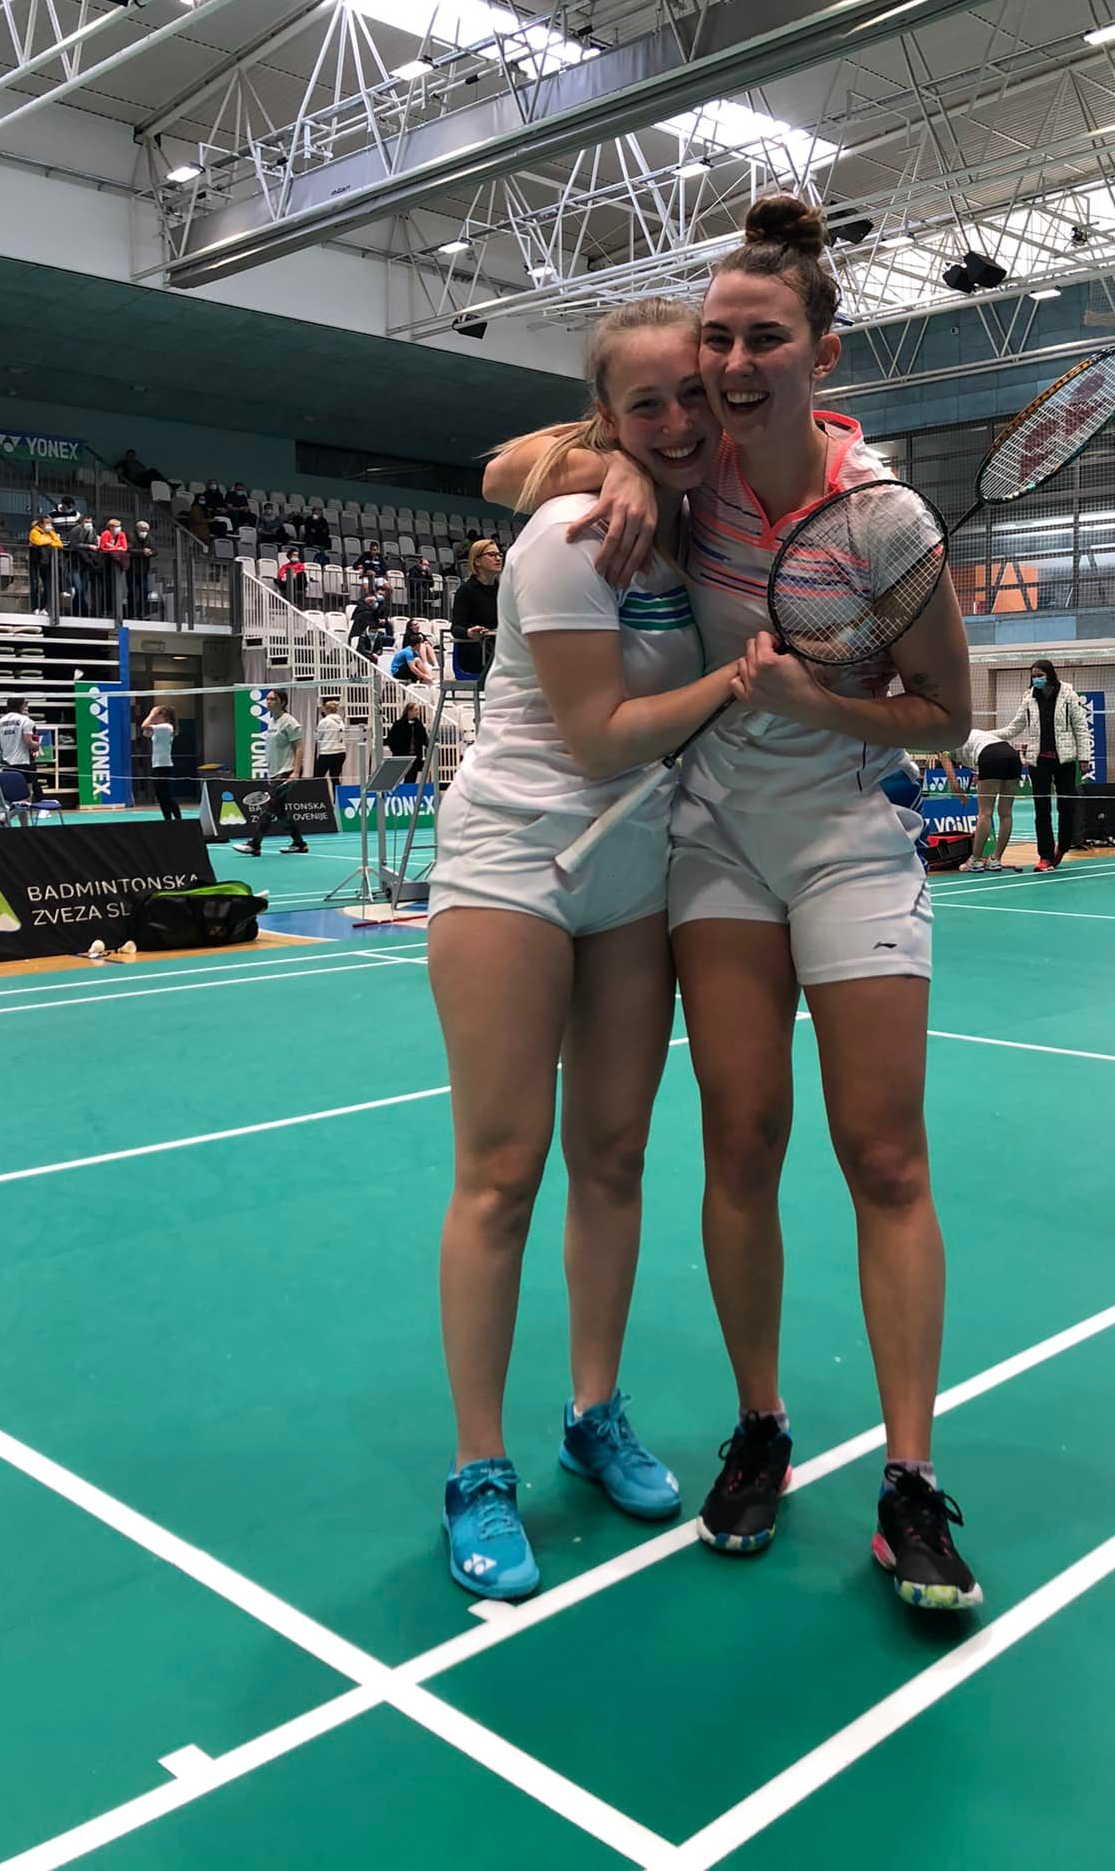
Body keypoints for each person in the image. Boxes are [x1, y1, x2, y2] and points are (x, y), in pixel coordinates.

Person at [485, 196, 980, 1611]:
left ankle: (910, 1480)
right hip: (711, 846)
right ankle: (761, 1427)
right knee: (741, 1139)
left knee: (883, 1155)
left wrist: (820, 703)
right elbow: (509, 466)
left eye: (764, 339)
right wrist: (615, 469)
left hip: (843, 837)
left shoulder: (886, 517)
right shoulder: (684, 476)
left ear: (823, 354)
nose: (735, 362)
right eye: (718, 340)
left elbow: (946, 715)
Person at [428, 298, 741, 1601]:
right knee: (503, 1170)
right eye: (643, 406)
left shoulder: (706, 520)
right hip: (514, 856)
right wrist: (739, 680)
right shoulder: (571, 533)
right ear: (607, 416)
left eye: (692, 395)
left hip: (633, 866)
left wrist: (631, 464)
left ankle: (593, 1411)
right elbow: (600, 733)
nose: (675, 421)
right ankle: (477, 1467)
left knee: (613, 1155)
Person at [991, 659, 1093, 871]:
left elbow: (1081, 728)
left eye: (1039, 675)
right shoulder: (1029, 698)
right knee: (1042, 809)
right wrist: (985, 735)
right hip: (1039, 762)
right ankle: (1045, 856)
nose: (1036, 679)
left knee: (1066, 807)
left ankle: (1062, 845)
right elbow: (1014, 728)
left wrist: (1084, 758)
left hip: (1065, 760)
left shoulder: (1068, 695)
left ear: (1049, 674)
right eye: (1033, 676)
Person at [231, 688, 308, 857]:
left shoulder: (289, 722)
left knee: (268, 807)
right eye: (267, 699)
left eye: (273, 699)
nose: (268, 702)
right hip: (274, 772)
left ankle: (254, 844)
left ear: (282, 702)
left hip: (286, 771)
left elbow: (299, 748)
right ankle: (299, 843)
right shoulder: (272, 721)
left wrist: (296, 772)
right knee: (279, 811)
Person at [934, 730, 1023, 872]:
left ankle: (975, 860)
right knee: (1006, 813)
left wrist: (961, 796)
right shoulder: (967, 733)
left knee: (985, 813)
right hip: (1012, 755)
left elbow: (953, 781)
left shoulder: (941, 746)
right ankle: (995, 859)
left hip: (990, 756)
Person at [450, 536, 502, 681]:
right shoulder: (466, 591)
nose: (498, 558)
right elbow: (456, 628)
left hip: (497, 649)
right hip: (475, 652)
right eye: (492, 555)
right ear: (477, 561)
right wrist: (469, 633)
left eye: (499, 555)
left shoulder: (503, 590)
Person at [0, 695, 44, 800]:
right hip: (23, 763)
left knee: (11, 796)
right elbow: (28, 742)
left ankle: (9, 810)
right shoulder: (26, 720)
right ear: (21, 705)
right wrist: (36, 745)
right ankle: (9, 814)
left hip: (6, 763)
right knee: (26, 798)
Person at [141, 703, 182, 821]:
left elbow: (144, 726)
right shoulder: (160, 728)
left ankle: (178, 819)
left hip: (164, 765)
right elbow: (146, 734)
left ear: (164, 716)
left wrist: (152, 714)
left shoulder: (166, 727)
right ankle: (167, 819)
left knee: (166, 795)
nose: (156, 717)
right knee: (160, 795)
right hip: (157, 765)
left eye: (158, 715)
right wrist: (154, 719)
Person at [385, 698, 428, 783]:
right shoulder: (398, 724)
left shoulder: (418, 724)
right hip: (401, 756)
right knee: (397, 780)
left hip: (415, 757)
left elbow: (424, 738)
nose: (418, 712)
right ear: (409, 711)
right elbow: (390, 739)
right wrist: (396, 750)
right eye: (416, 710)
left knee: (411, 780)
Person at [28, 513, 63, 613]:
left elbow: (59, 544)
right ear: (41, 524)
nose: (49, 525)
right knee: (35, 585)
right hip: (35, 562)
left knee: (47, 586)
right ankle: (35, 608)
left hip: (46, 562)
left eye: (50, 523)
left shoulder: (51, 532)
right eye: (47, 523)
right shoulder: (34, 531)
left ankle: (43, 607)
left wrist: (51, 535)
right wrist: (50, 541)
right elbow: (38, 541)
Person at [391, 620, 439, 688]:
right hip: (397, 672)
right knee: (417, 661)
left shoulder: (414, 651)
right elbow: (413, 668)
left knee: (418, 661)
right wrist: (425, 677)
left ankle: (429, 678)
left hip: (406, 668)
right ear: (417, 644)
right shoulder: (408, 652)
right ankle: (428, 679)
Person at [313, 697, 346, 784]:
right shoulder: (341, 722)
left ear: (326, 709)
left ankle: (318, 792)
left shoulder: (324, 721)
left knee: (317, 777)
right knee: (335, 778)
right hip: (341, 752)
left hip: (327, 752)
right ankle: (337, 793)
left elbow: (317, 737)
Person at [130, 519, 156, 617]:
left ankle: (142, 612)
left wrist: (150, 552)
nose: (144, 531)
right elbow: (129, 550)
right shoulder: (131, 537)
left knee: (144, 590)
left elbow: (155, 551)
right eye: (143, 529)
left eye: (146, 530)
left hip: (144, 569)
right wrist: (142, 552)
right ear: (137, 529)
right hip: (132, 568)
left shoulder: (150, 539)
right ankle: (132, 612)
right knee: (132, 591)